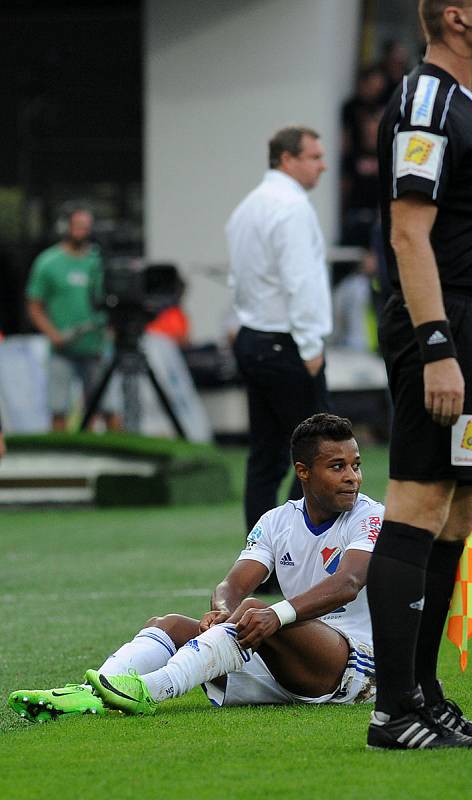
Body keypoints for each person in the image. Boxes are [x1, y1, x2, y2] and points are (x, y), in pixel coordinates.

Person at [8, 414, 382, 721]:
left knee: (254, 610)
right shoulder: (275, 521)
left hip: (351, 668)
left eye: (356, 465)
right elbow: (232, 585)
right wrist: (221, 614)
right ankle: (89, 694)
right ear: (303, 472)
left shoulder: (371, 516)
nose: (353, 477)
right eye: (338, 466)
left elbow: (348, 582)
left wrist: (274, 616)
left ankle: (151, 690)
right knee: (168, 624)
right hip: (283, 664)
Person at [368, 0, 472, 751]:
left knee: (459, 509)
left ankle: (423, 694)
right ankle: (390, 710)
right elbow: (406, 230)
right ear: (455, 18)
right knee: (418, 502)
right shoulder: (425, 98)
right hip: (442, 322)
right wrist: (434, 344)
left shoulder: (463, 103)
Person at [226, 126, 332, 591]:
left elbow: (238, 280)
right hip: (287, 341)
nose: (322, 165)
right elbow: (301, 281)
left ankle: (261, 564)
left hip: (253, 336)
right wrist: (311, 346)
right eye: (314, 156)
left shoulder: (247, 207)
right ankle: (297, 558)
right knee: (320, 452)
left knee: (265, 457)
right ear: (287, 159)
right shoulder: (291, 208)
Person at [25, 205, 119, 432]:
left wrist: (111, 331)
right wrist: (53, 334)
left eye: (86, 227)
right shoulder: (48, 262)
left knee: (108, 408)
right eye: (77, 226)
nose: (81, 231)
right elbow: (34, 306)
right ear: (65, 227)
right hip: (62, 350)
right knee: (58, 409)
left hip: (96, 348)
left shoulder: (99, 261)